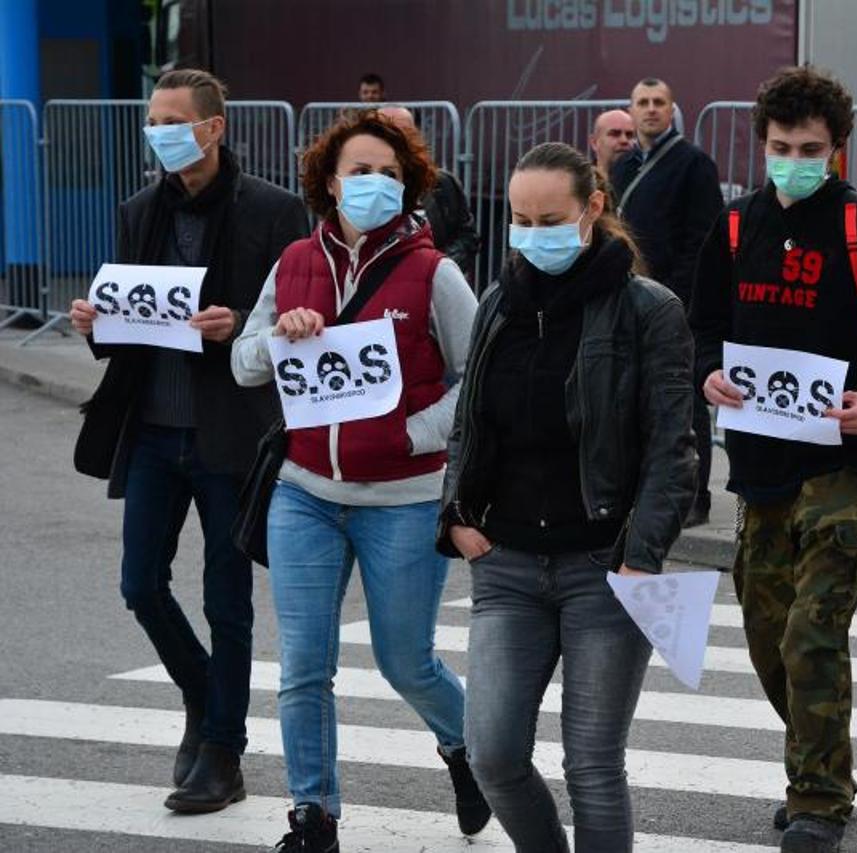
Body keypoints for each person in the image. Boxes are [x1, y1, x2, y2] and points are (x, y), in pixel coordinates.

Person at [690, 66, 857, 853]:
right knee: (767, 632)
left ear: (838, 149)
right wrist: (708, 372)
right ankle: (820, 761)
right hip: (758, 461)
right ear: (760, 145)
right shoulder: (734, 228)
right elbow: (701, 325)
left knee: (812, 632)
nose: (794, 160)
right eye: (780, 147)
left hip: (837, 462)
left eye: (811, 149)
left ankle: (817, 798)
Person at [229, 110, 489, 850]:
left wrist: (415, 433)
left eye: (388, 173)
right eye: (358, 170)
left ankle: (464, 748)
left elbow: (477, 380)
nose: (371, 184)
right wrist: (278, 337)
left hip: (403, 499)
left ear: (408, 186)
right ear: (328, 180)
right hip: (304, 491)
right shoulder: (292, 262)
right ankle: (313, 816)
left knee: (406, 659)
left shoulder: (434, 271)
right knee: (303, 668)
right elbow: (243, 361)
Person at [437, 141, 697, 852]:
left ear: (593, 208)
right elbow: (467, 422)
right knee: (490, 752)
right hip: (507, 565)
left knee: (591, 765)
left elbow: (673, 446)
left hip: (603, 568)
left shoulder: (649, 309)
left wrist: (641, 556)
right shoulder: (497, 302)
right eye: (520, 218)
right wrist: (456, 515)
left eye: (549, 218)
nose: (531, 234)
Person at [67, 68, 309, 813]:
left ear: (213, 127)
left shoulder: (273, 210)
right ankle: (203, 695)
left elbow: (298, 315)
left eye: (173, 121)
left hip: (230, 432)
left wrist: (243, 323)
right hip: (151, 430)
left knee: (227, 598)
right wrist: (93, 322)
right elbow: (126, 320)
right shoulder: (139, 209)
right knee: (140, 583)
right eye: (153, 121)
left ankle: (222, 752)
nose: (160, 133)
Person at [611, 77, 724, 527]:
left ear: (673, 108)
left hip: (677, 301)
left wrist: (678, 297)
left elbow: (703, 239)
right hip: (627, 296)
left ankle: (695, 495)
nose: (651, 110)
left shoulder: (693, 164)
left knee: (686, 400)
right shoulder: (622, 167)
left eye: (660, 102)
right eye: (643, 102)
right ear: (631, 110)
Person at [378, 105, 480, 281]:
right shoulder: (357, 189)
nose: (398, 141)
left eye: (406, 133)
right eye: (387, 134)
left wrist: (437, 267)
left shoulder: (442, 183)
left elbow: (467, 238)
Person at [589, 108, 636, 183]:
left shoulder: (645, 183)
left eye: (629, 135)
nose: (624, 140)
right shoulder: (578, 185)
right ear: (594, 143)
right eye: (615, 134)